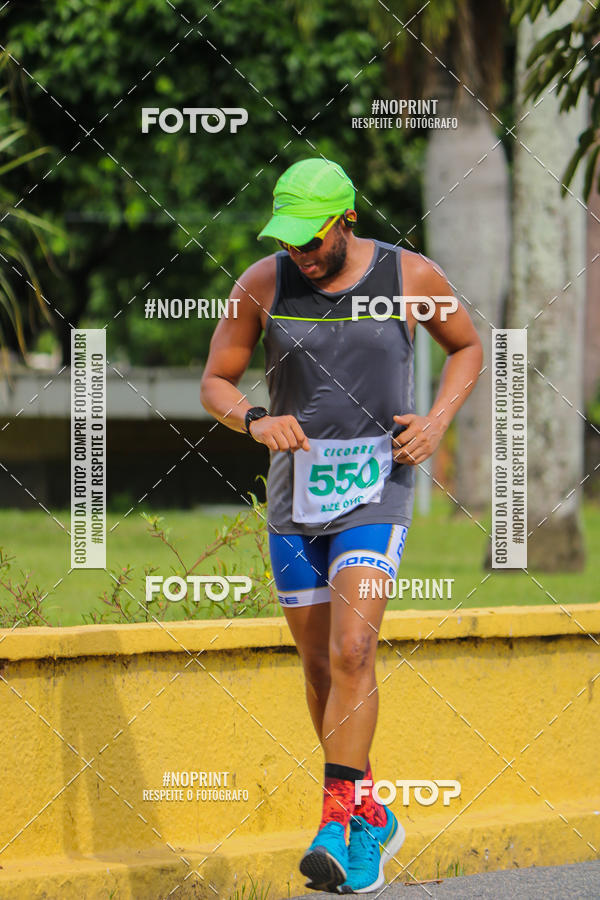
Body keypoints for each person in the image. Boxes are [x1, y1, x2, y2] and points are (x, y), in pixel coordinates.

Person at [200, 158, 483, 893]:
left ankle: (333, 821)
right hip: (295, 496)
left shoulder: (409, 276)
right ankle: (371, 817)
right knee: (322, 669)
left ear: (345, 219)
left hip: (376, 488)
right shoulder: (261, 284)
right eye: (286, 238)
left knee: (354, 647)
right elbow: (216, 381)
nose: (298, 250)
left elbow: (467, 346)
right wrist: (255, 420)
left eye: (310, 237)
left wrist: (438, 420)